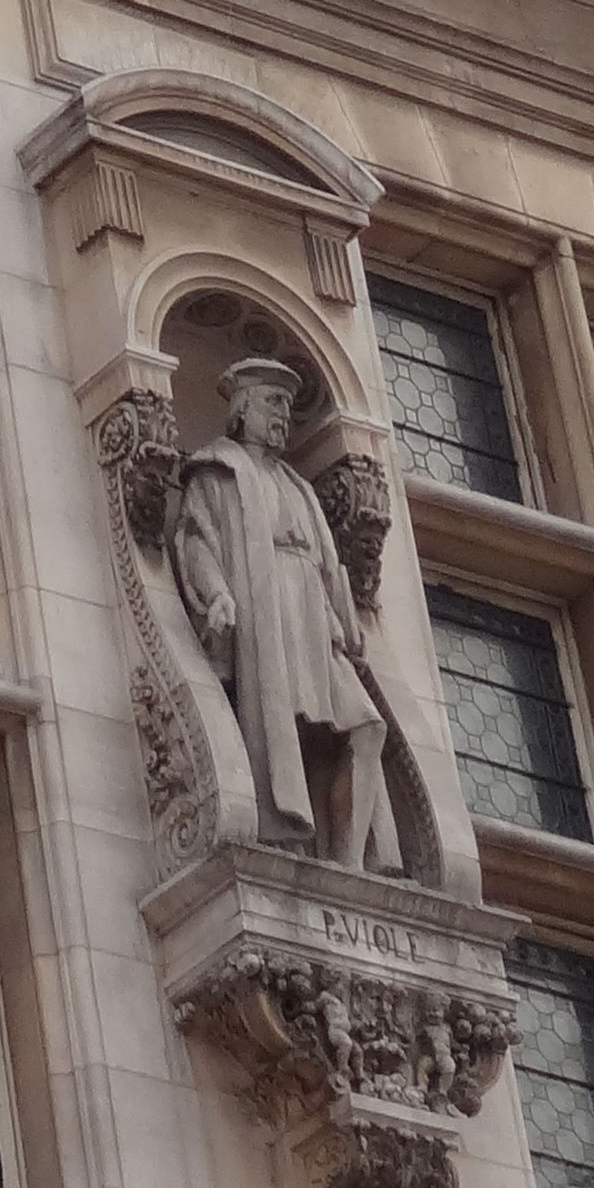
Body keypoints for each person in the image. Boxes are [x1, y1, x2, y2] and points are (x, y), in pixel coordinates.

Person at [165, 361, 395, 867]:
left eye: (288, 406)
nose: (283, 416)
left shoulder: (297, 484)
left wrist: (347, 624)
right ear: (241, 408)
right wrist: (217, 594)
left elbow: (327, 561)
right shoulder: (217, 472)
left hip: (314, 616)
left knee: (366, 727)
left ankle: (351, 864)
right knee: (295, 735)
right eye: (273, 402)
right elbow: (197, 540)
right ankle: (304, 840)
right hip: (266, 614)